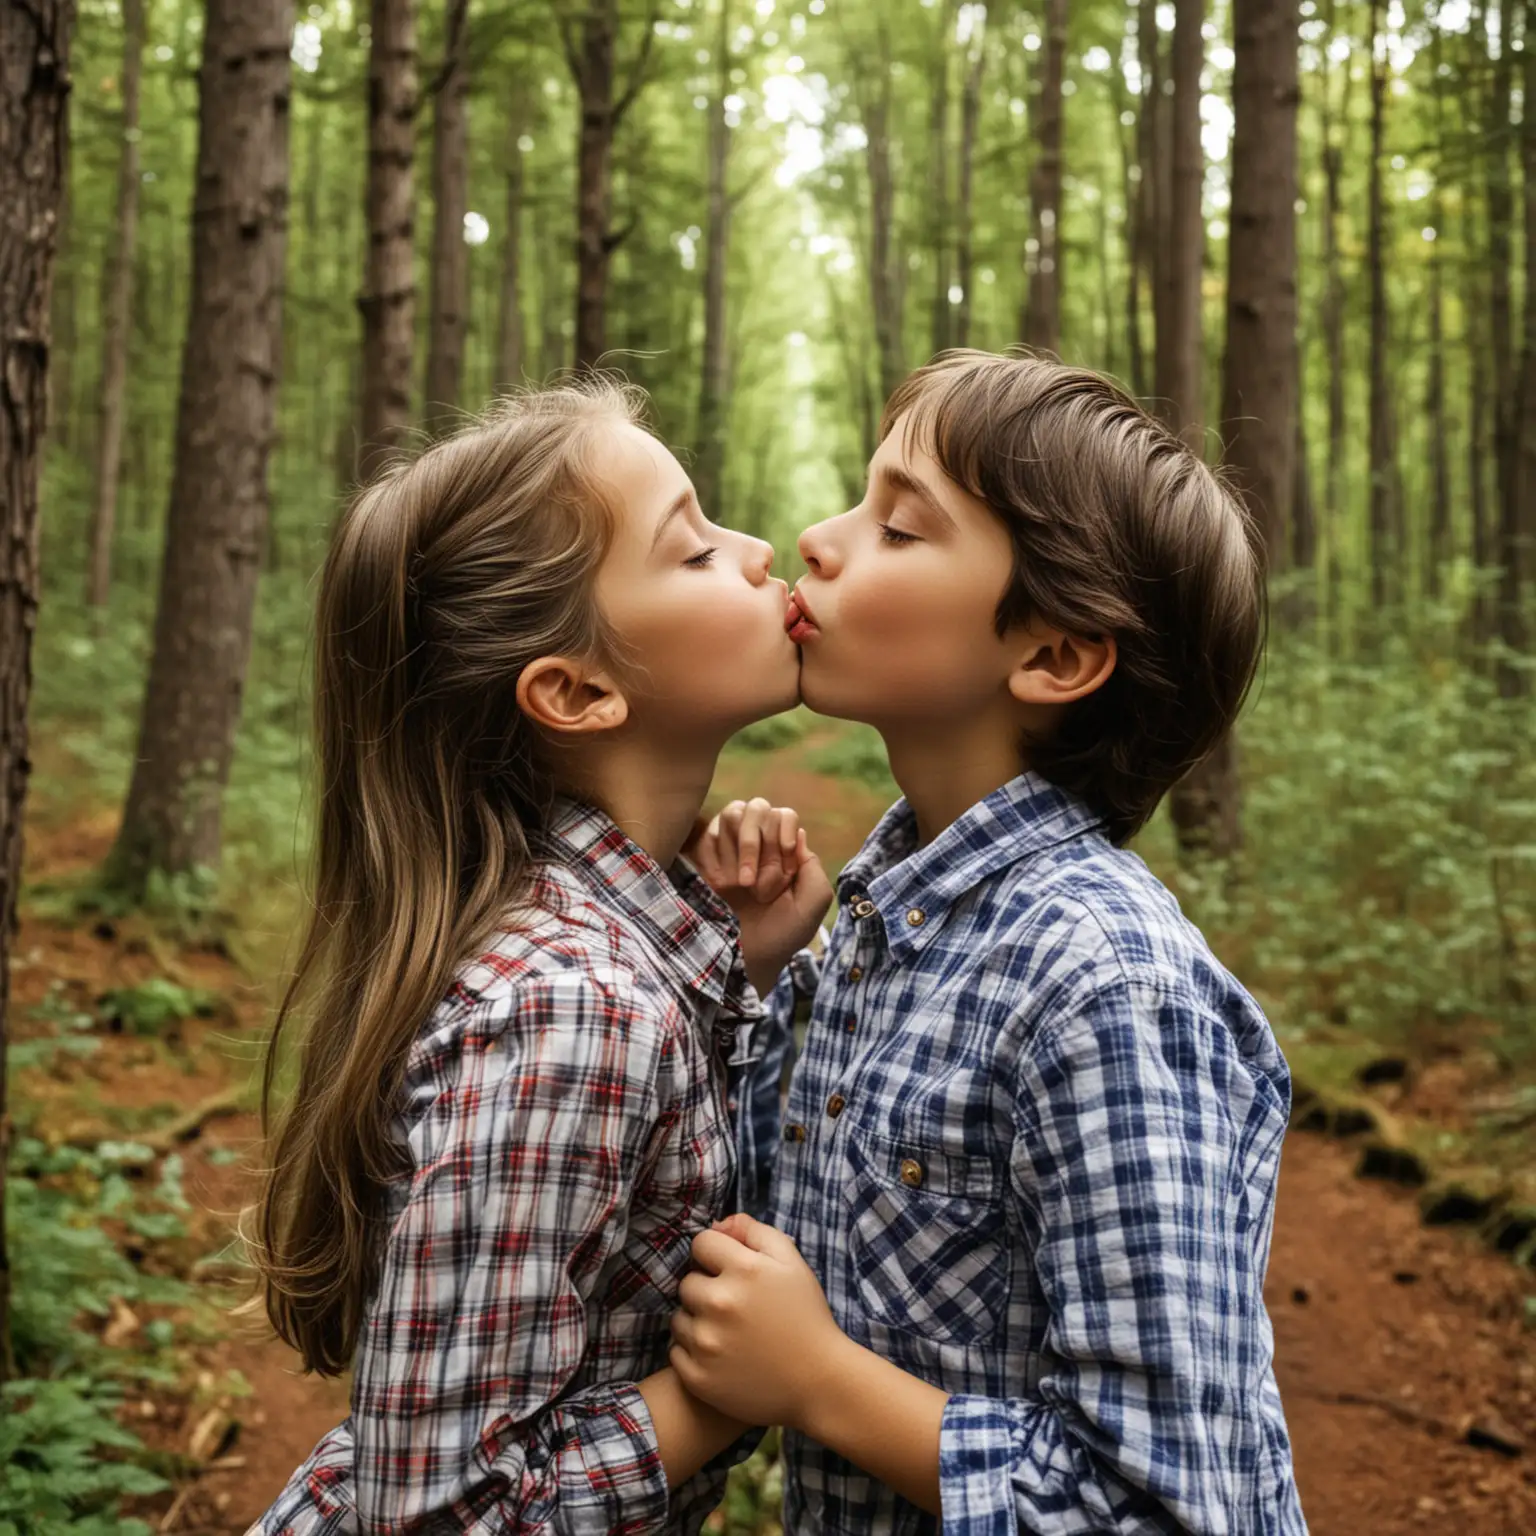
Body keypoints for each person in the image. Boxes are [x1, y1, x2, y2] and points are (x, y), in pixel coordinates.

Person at [674, 350, 1308, 1535]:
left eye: (900, 529)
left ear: (1054, 657)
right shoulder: (878, 920)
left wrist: (821, 1381)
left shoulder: (1103, 988)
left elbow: (1164, 1509)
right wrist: (753, 975)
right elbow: (759, 1239)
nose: (819, 537)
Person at [241, 379, 830, 1534]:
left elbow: (624, 1218)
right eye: (695, 549)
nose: (761, 552)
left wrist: (735, 968)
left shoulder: (607, 959)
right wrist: (716, 1400)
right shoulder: (574, 1007)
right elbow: (442, 1514)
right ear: (577, 690)